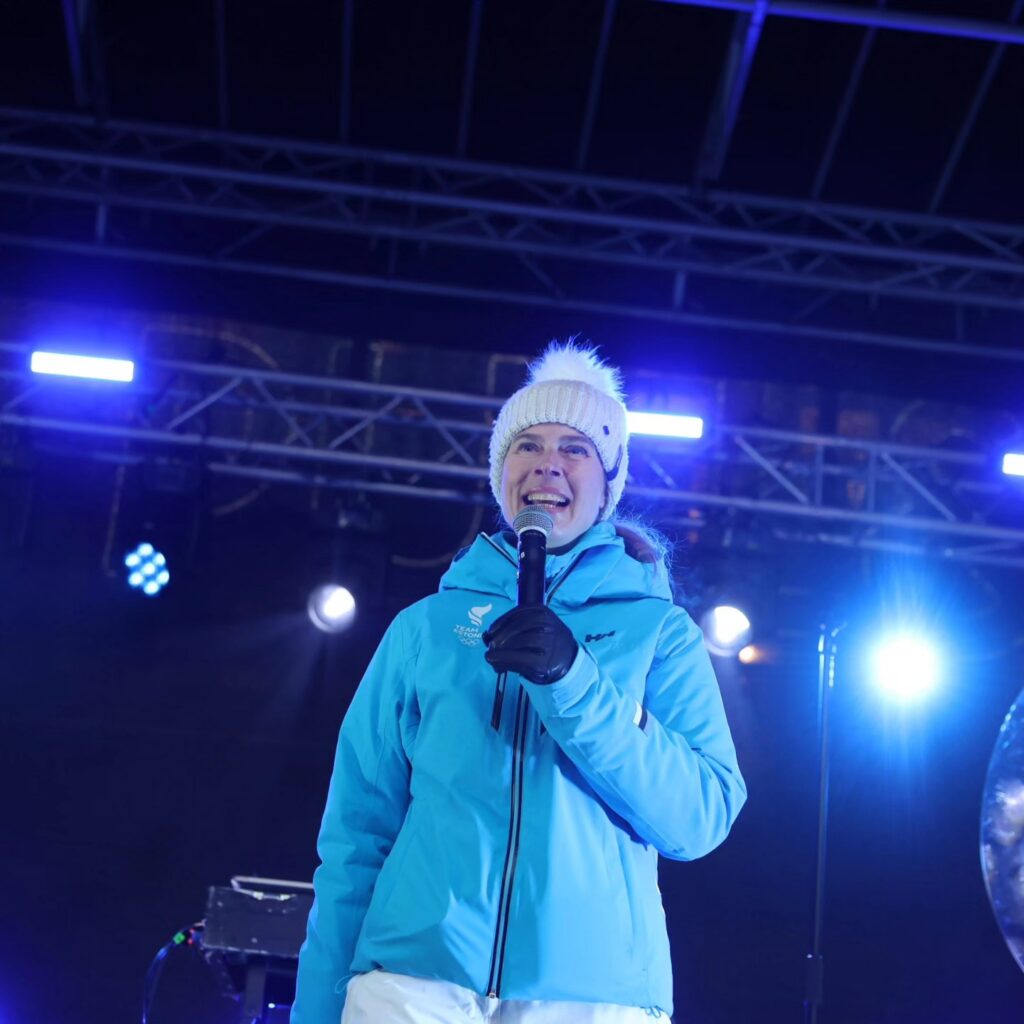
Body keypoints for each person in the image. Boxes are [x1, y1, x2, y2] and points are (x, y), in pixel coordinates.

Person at [291, 341, 746, 1024]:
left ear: (609, 480)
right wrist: (317, 1009)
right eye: (526, 446)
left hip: (589, 996)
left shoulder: (661, 634)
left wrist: (575, 683)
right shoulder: (426, 628)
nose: (548, 465)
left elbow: (700, 816)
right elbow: (356, 837)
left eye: (575, 449)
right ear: (501, 471)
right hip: (411, 983)